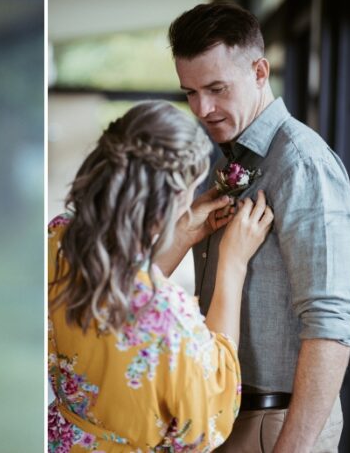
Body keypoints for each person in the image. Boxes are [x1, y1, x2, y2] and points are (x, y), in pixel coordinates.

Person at [170, 2, 350, 452]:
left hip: (278, 423)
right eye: (190, 93)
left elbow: (331, 321)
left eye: (216, 88)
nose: (203, 107)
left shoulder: (302, 164)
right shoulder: (230, 157)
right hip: (228, 414)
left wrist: (291, 446)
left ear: (260, 71)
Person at [47, 101, 274, 451]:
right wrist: (233, 262)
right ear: (169, 199)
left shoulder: (58, 240)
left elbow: (120, 302)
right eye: (189, 191)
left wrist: (181, 235)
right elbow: (212, 409)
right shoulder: (169, 314)